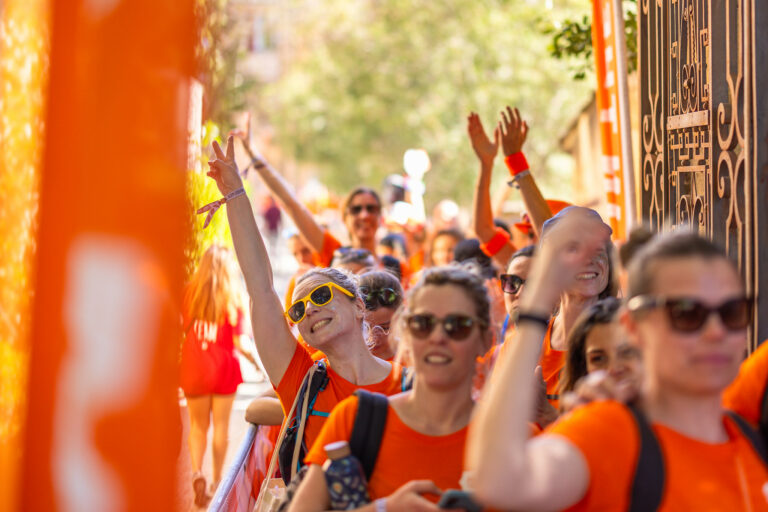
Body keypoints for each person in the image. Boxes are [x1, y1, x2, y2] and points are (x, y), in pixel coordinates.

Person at [467, 222, 767, 511]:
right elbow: (498, 481)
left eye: (732, 312)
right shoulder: (612, 430)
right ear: (634, 328)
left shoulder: (747, 436)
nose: (716, 332)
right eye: (687, 313)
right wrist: (536, 307)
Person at [205, 136, 406, 470]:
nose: (309, 308)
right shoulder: (302, 380)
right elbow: (260, 287)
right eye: (298, 309)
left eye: (321, 295)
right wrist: (236, 194)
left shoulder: (411, 382)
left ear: (359, 306)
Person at [287, 267, 494, 511]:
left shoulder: (516, 438)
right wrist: (385, 507)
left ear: (486, 340)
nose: (438, 337)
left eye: (457, 325)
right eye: (422, 323)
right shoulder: (354, 416)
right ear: (406, 336)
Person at [179, 244, 259, 506]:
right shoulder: (231, 296)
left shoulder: (187, 292)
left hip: (193, 367)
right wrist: (257, 365)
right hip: (224, 370)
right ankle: (215, 483)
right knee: (221, 427)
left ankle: (196, 472)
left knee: (198, 427)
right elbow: (241, 343)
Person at [467, 107, 552, 268]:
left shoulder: (572, 270)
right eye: (530, 234)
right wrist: (486, 164)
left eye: (535, 231)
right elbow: (484, 230)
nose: (532, 240)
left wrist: (515, 160)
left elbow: (551, 235)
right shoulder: (525, 266)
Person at [557, 297, 643, 411]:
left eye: (627, 352)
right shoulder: (577, 417)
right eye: (598, 359)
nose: (613, 368)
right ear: (583, 367)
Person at [358, 270, 404, 361]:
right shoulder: (331, 361)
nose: (373, 338)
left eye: (385, 328)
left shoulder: (413, 359)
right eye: (364, 327)